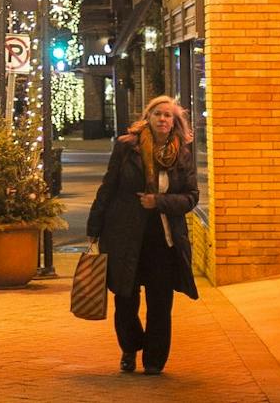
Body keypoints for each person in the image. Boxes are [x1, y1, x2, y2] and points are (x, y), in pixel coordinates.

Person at [87, 95, 200, 374]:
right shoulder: (127, 147)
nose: (163, 119)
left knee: (160, 302)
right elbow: (108, 187)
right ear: (147, 117)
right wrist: (94, 229)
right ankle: (130, 346)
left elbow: (191, 196)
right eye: (158, 114)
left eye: (168, 115)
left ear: (175, 122)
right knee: (125, 299)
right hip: (124, 235)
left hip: (163, 240)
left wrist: (159, 202)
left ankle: (154, 360)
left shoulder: (182, 153)